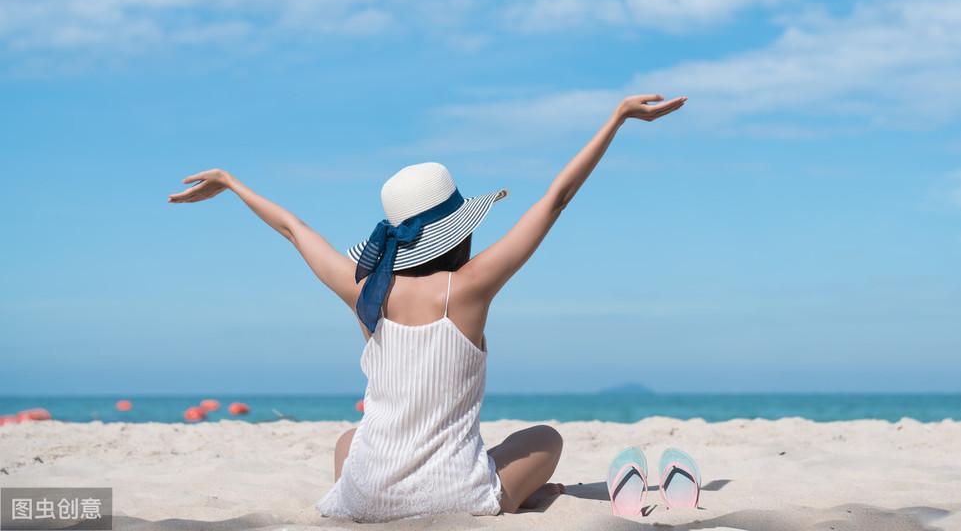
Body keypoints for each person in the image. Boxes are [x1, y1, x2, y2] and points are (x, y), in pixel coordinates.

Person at [167, 92, 687, 520]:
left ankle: (378, 498)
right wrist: (616, 118)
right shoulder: (470, 286)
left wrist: (232, 183)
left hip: (365, 497)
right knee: (545, 439)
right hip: (454, 495)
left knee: (350, 439)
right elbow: (556, 199)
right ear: (458, 230)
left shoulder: (364, 288)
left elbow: (293, 229)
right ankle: (516, 497)